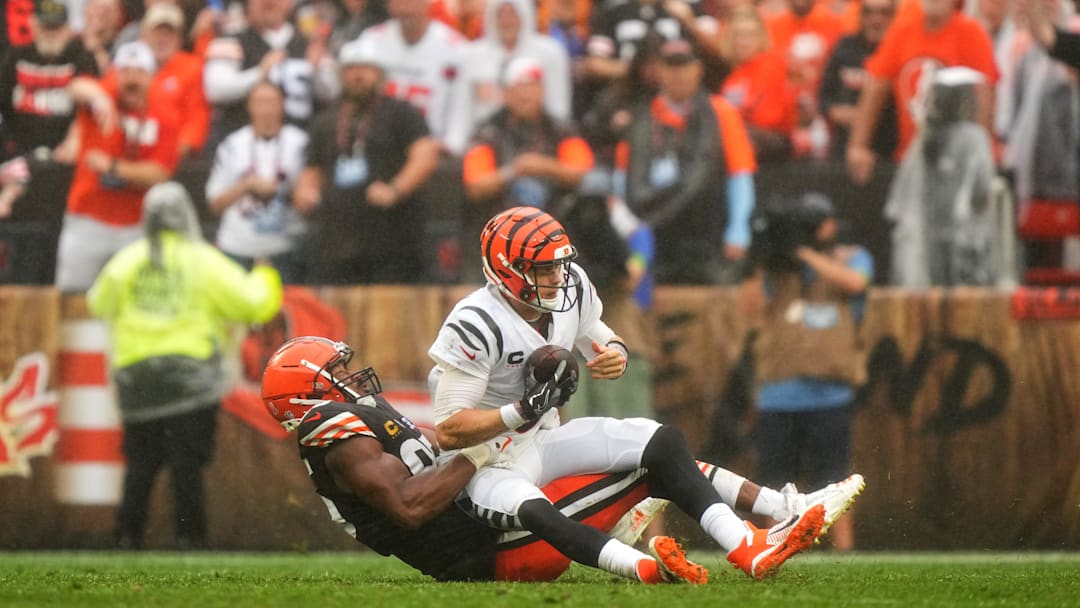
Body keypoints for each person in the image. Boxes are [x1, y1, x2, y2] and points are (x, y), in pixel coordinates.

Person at [427, 206, 846, 583]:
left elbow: (603, 338)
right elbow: (448, 430)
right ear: (506, 269)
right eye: (542, 270)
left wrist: (616, 354)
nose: (557, 279)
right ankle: (647, 567)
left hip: (540, 439)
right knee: (539, 512)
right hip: (485, 464)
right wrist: (521, 410)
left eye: (558, 266)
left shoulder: (569, 286)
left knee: (660, 441)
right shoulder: (476, 321)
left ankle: (746, 545)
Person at [262, 334, 866, 581]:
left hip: (484, 536)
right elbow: (411, 505)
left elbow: (431, 467)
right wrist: (485, 448)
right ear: (309, 394)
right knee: (651, 464)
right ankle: (751, 537)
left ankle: (773, 514)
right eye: (336, 372)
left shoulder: (345, 427)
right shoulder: (329, 427)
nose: (352, 376)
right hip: (489, 549)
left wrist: (499, 429)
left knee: (653, 461)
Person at [88, 181, 283, 549]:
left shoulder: (128, 260)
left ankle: (128, 538)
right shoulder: (203, 261)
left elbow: (98, 302)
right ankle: (189, 540)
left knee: (140, 463)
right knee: (186, 465)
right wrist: (265, 274)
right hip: (190, 379)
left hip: (137, 378)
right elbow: (253, 305)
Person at [740, 192, 872, 551]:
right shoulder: (774, 269)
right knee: (774, 483)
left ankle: (843, 552)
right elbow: (750, 308)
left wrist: (804, 253)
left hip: (831, 392)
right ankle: (774, 550)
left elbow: (857, 283)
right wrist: (760, 260)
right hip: (778, 395)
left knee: (835, 481)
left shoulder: (851, 256)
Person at [292, 41, 440, 284]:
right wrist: (305, 192)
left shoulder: (402, 112)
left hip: (393, 238)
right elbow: (312, 168)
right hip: (338, 240)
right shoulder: (325, 120)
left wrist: (395, 189)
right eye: (350, 69)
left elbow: (425, 155)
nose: (357, 75)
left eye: (365, 68)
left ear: (379, 75)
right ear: (341, 75)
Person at [617, 39, 757, 284]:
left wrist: (738, 228)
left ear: (698, 70)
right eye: (671, 67)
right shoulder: (641, 117)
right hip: (654, 224)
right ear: (659, 71)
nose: (678, 74)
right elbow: (621, 179)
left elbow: (740, 175)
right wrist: (628, 229)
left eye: (684, 67)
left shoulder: (721, 112)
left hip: (706, 226)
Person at [57, 40, 180, 292]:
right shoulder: (104, 95)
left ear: (152, 77)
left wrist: (113, 167)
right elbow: (75, 86)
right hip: (88, 219)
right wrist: (99, 98)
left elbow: (159, 173)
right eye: (125, 71)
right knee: (73, 297)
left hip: (136, 226)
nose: (131, 78)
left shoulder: (166, 114)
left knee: (136, 300)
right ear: (114, 74)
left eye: (139, 72)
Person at [845, 0, 998, 185]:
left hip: (956, 164)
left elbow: (984, 97)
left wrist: (977, 156)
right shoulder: (902, 31)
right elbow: (876, 86)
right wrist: (857, 146)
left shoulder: (971, 33)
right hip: (910, 161)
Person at [205, 81, 309, 282]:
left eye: (272, 102)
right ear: (249, 106)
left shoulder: (300, 143)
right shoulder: (232, 145)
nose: (266, 109)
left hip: (285, 248)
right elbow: (214, 204)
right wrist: (246, 186)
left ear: (282, 105)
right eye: (259, 102)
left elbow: (310, 196)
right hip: (238, 248)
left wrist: (282, 189)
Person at [461, 57, 594, 213]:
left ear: (543, 90)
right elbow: (476, 187)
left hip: (555, 220)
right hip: (500, 221)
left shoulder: (561, 129)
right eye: (517, 87)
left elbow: (581, 174)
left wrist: (543, 166)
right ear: (505, 93)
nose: (525, 94)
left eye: (531, 87)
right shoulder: (487, 131)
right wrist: (512, 171)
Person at [203, 0, 339, 145]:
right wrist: (259, 73)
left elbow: (333, 91)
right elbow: (215, 90)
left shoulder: (309, 42)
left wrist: (316, 71)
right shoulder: (229, 40)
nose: (269, 2)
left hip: (301, 148)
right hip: (245, 150)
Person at [445, 0, 572, 154]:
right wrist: (454, 147)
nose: (506, 21)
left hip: (539, 143)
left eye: (512, 14)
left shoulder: (550, 53)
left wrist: (557, 146)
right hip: (483, 142)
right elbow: (460, 111)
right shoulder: (469, 56)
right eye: (501, 15)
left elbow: (558, 109)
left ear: (525, 14)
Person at [354, 0, 467, 150]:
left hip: (431, 146)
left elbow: (462, 106)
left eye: (411, 2)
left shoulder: (456, 49)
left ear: (427, 4)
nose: (405, 9)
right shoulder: (370, 42)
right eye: (399, 3)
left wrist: (451, 144)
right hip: (378, 144)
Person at [816, 0, 898, 161]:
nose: (876, 20)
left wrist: (866, 117)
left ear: (894, 17)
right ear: (860, 16)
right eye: (868, 12)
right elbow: (823, 96)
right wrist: (839, 112)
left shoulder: (901, 50)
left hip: (889, 148)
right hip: (844, 146)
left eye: (884, 13)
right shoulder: (845, 47)